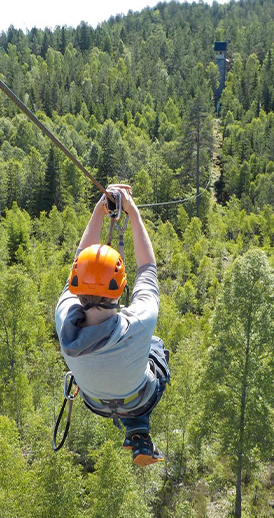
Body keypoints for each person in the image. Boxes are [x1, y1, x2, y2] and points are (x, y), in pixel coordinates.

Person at [55, 184, 170, 466]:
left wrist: (98, 210)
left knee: (136, 359)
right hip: (139, 399)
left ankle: (137, 430)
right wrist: (133, 213)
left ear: (75, 284)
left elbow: (80, 257)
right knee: (157, 347)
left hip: (95, 402)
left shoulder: (63, 317)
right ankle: (137, 425)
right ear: (120, 289)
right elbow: (148, 269)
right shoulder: (138, 324)